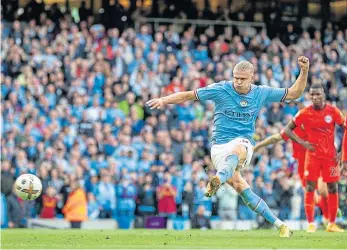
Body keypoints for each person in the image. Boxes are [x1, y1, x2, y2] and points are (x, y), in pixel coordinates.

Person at [147, 56, 310, 237]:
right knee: (242, 188)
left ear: (252, 77)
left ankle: (217, 179)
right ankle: (281, 226)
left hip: (243, 144)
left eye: (242, 78)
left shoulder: (261, 92)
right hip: (218, 148)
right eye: (235, 77)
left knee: (238, 148)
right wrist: (164, 100)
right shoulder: (221, 89)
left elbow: (295, 93)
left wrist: (304, 71)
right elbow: (189, 95)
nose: (238, 81)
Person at [284, 83, 345, 233]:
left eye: (318, 94)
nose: (315, 97)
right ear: (309, 96)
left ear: (323, 94)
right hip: (312, 157)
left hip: (330, 157)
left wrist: (342, 152)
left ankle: (331, 223)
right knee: (310, 188)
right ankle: (311, 224)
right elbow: (287, 130)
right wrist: (302, 142)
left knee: (332, 188)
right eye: (312, 95)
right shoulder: (304, 113)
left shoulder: (333, 111)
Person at [254, 121, 330, 225]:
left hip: (315, 167)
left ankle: (329, 213)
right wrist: (259, 145)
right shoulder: (292, 132)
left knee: (323, 191)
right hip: (303, 171)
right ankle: (325, 215)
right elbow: (274, 138)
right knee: (312, 197)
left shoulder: (316, 133)